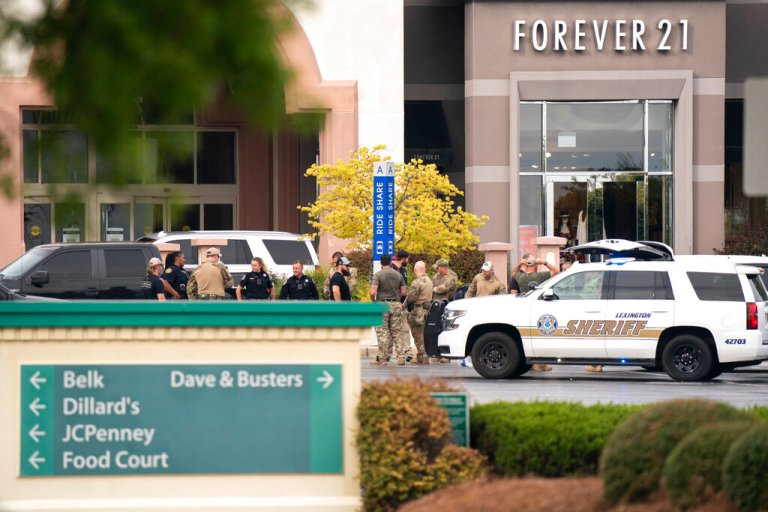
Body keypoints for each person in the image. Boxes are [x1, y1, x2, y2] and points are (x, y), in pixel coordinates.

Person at [513, 253, 560, 371]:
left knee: (529, 336)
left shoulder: (520, 277)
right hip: (539, 308)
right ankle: (540, 364)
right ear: (535, 264)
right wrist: (543, 262)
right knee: (542, 335)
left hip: (525, 308)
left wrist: (519, 264)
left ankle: (535, 363)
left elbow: (513, 273)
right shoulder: (540, 276)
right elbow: (556, 271)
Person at [369, 254, 408, 365]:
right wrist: (397, 298)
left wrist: (374, 300)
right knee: (397, 332)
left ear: (381, 263)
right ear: (390, 262)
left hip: (382, 305)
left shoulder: (378, 275)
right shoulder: (398, 275)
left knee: (382, 332)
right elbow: (404, 291)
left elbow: (372, 292)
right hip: (395, 304)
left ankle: (382, 359)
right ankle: (401, 358)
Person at [403, 261, 433, 364]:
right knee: (423, 333)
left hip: (417, 311)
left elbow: (412, 297)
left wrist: (404, 305)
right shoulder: (429, 281)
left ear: (416, 270)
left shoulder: (417, 282)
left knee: (417, 334)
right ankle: (420, 355)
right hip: (427, 310)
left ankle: (423, 356)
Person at [430, 258, 457, 363]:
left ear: (442, 268)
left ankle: (446, 355)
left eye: (438, 268)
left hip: (446, 305)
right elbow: (431, 285)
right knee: (436, 329)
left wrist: (435, 289)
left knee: (445, 329)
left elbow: (445, 287)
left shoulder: (452, 276)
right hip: (436, 305)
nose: (436, 270)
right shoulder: (436, 276)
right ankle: (437, 354)